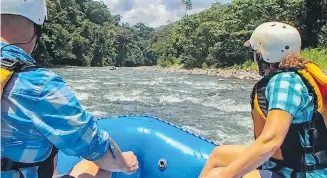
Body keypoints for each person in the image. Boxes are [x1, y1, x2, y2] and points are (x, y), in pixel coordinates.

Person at [0, 0, 139, 178]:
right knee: (101, 167)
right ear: (37, 28)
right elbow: (96, 146)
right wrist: (125, 164)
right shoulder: (39, 84)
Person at [198, 22, 327, 178]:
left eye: (256, 53)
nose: (255, 57)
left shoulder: (285, 82)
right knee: (219, 154)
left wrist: (226, 175)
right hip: (289, 160)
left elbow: (270, 141)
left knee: (217, 175)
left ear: (266, 54)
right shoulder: (294, 76)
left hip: (305, 172)